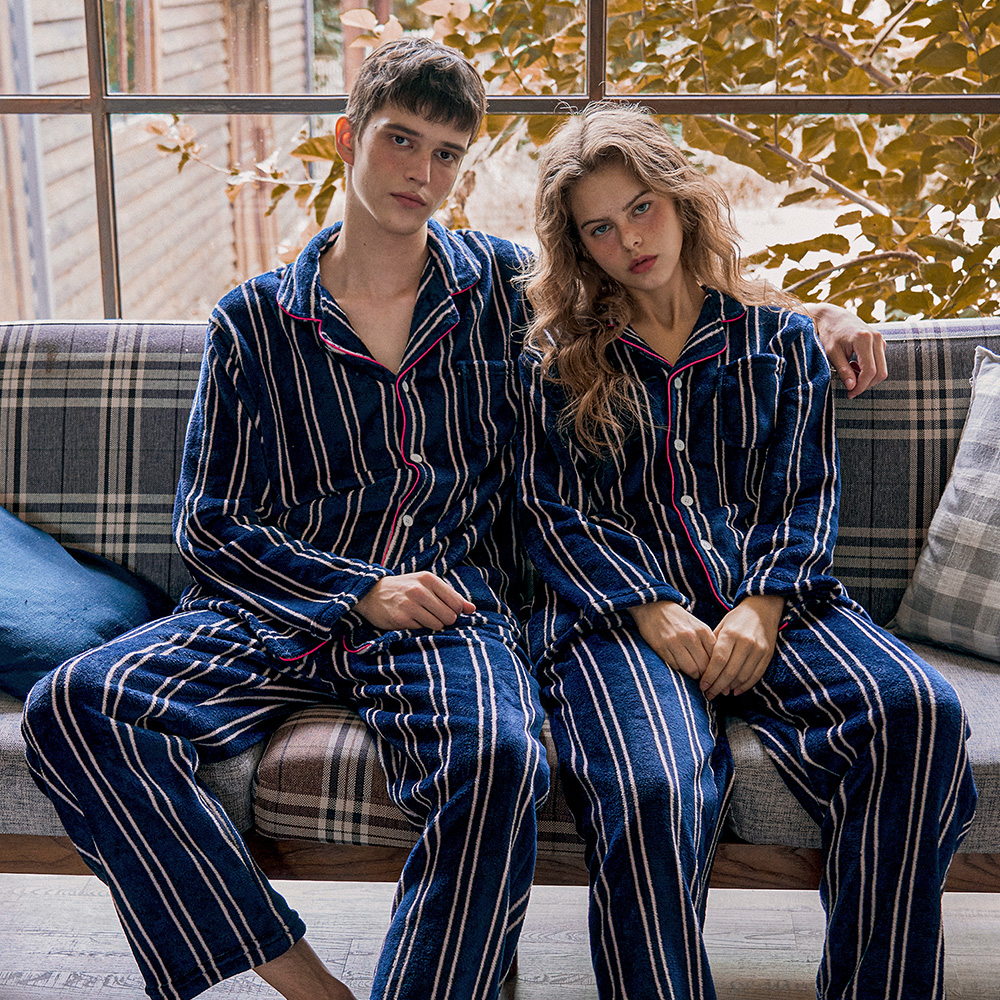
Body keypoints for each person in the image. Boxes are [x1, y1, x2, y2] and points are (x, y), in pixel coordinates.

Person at [22, 38, 887, 1000]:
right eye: (400, 140)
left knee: (504, 759)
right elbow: (211, 523)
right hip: (283, 603)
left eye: (445, 153)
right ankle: (311, 987)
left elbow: (655, 286)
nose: (421, 173)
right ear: (348, 137)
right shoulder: (254, 322)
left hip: (448, 608)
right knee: (75, 705)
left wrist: (819, 316)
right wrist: (360, 590)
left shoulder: (501, 292)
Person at [517, 103, 977, 1000]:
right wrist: (652, 610)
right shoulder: (559, 362)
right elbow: (551, 512)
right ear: (578, 246)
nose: (629, 240)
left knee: (918, 712)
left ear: (681, 200)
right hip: (622, 624)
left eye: (642, 207)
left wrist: (761, 607)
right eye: (600, 228)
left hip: (779, 601)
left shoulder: (779, 343)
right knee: (652, 788)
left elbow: (804, 491)